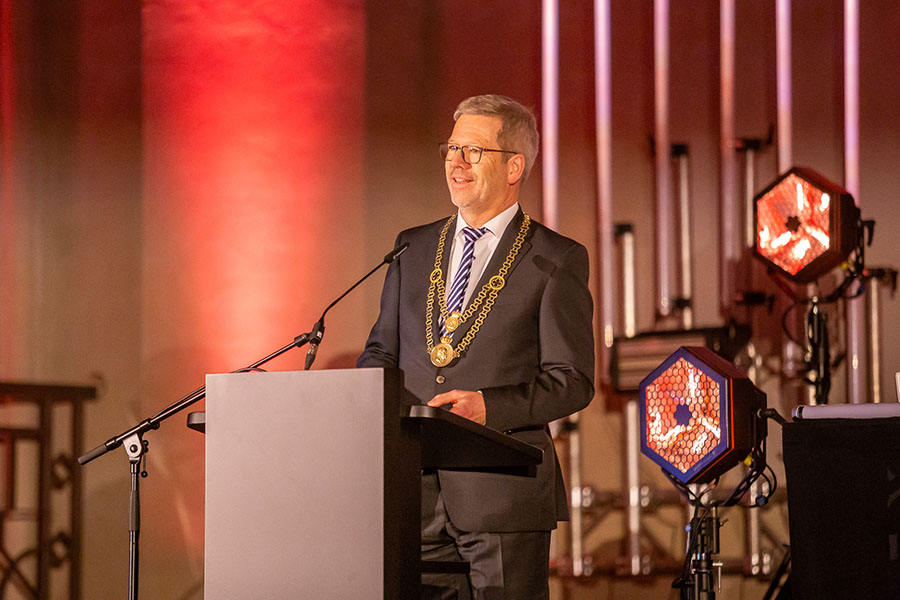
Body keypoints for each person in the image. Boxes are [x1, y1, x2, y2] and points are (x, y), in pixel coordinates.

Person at [357, 94, 594, 599]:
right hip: (412, 492)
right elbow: (381, 353)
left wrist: (489, 407)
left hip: (502, 496)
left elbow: (571, 381)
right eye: (451, 148)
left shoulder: (556, 259)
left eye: (473, 151)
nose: (455, 162)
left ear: (514, 167)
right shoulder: (411, 247)